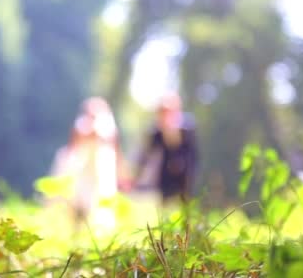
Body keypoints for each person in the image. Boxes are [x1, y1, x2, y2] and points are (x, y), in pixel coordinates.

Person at [49, 97, 128, 227]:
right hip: (82, 169)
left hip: (100, 170)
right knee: (77, 200)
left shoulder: (108, 127)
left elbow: (115, 149)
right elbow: (73, 147)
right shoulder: (81, 124)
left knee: (98, 203)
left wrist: (122, 173)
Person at [135, 92, 199, 203]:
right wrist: (138, 175)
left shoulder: (187, 128)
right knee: (165, 204)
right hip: (166, 175)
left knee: (186, 204)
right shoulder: (156, 132)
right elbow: (147, 154)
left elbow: (193, 155)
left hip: (185, 175)